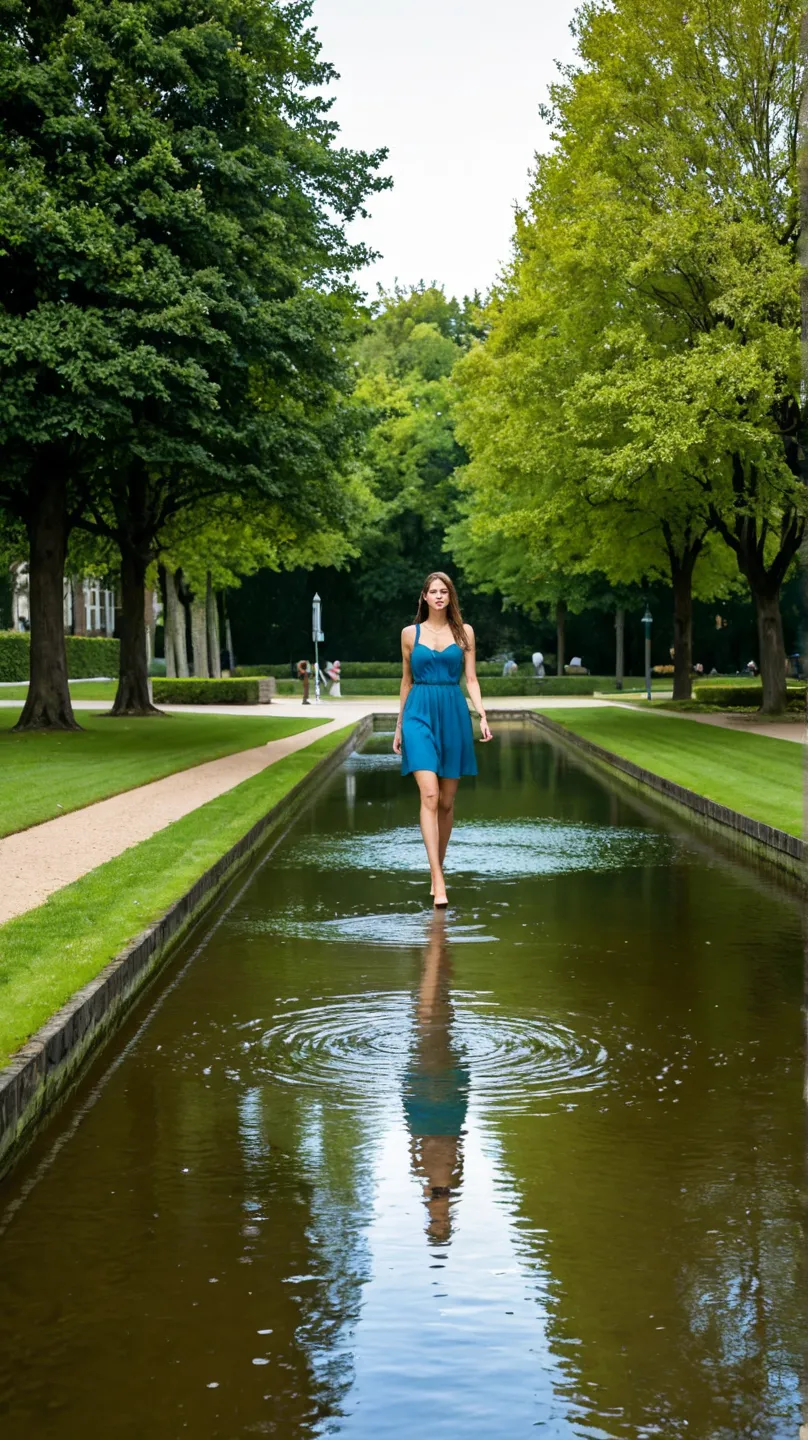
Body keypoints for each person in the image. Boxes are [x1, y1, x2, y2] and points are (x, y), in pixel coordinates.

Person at [393, 571, 492, 908]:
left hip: (452, 713)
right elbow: (406, 682)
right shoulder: (410, 634)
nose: (438, 596)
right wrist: (398, 726)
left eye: (443, 591)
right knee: (431, 794)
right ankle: (438, 877)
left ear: (451, 596)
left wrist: (482, 714)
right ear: (424, 597)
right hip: (418, 713)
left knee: (447, 803)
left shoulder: (464, 633)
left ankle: (438, 866)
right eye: (432, 591)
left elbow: (472, 679)